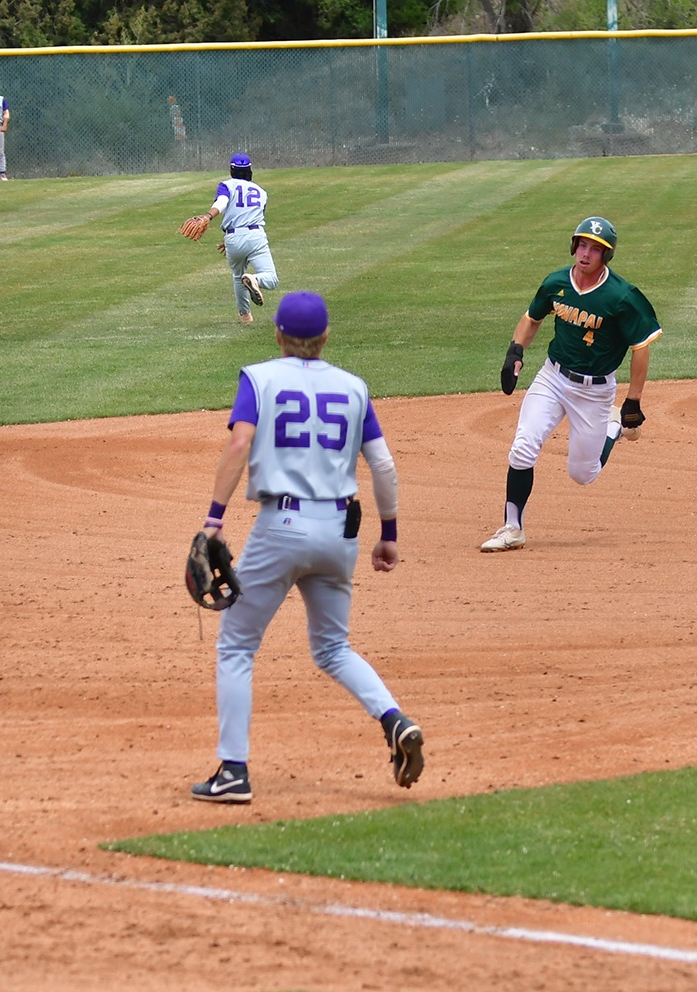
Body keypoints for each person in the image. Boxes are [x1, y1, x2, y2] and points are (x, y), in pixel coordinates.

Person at [189, 291, 422, 805]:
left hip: (282, 527)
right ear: (326, 338)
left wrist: (214, 520)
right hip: (341, 532)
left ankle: (232, 771)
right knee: (334, 647)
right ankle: (394, 718)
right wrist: (389, 535)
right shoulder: (354, 387)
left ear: (277, 336)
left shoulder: (260, 377)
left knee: (236, 646)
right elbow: (382, 466)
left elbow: (239, 444)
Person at [480, 216, 660, 553]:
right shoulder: (556, 283)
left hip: (595, 392)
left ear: (606, 256)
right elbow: (531, 319)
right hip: (552, 377)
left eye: (595, 248)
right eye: (582, 244)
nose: (586, 253)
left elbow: (641, 346)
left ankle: (613, 428)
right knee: (522, 446)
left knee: (583, 474)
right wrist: (515, 350)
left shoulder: (622, 297)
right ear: (574, 245)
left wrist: (632, 402)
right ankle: (512, 528)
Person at [184, 152, 279, 326]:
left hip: (233, 238)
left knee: (238, 276)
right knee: (271, 279)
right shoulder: (261, 192)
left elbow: (222, 202)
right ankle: (256, 280)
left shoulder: (226, 185)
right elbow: (253, 216)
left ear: (231, 170)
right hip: (256, 235)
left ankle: (245, 316)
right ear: (250, 170)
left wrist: (208, 217)